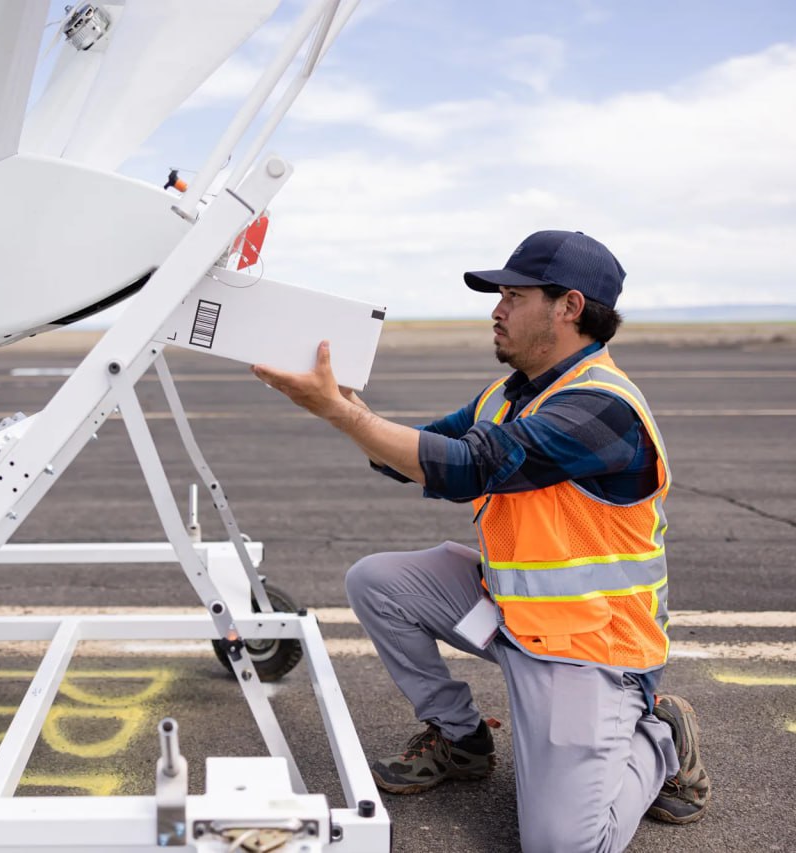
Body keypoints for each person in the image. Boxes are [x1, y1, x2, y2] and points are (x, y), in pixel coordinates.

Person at [251, 230, 710, 852]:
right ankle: (461, 740)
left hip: (589, 649)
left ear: (569, 307)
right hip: (513, 617)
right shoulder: (509, 393)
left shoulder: (602, 409)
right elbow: (412, 457)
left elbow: (469, 467)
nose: (496, 309)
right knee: (378, 581)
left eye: (512, 296)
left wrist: (340, 413)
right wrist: (342, 401)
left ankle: (658, 737)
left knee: (563, 847)